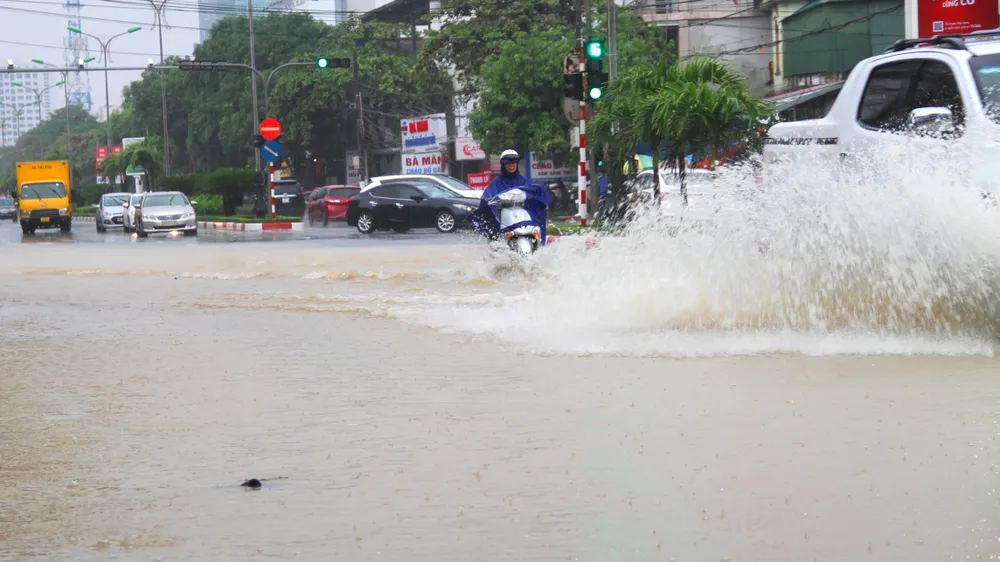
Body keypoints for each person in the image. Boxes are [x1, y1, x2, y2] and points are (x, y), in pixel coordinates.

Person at [469, 149, 553, 244]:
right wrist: (492, 202)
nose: (511, 165)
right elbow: (486, 198)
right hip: (504, 218)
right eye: (508, 163)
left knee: (539, 218)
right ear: (503, 165)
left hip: (524, 215)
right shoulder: (497, 182)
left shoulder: (524, 180)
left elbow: (534, 192)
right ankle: (496, 241)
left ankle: (541, 242)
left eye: (513, 163)